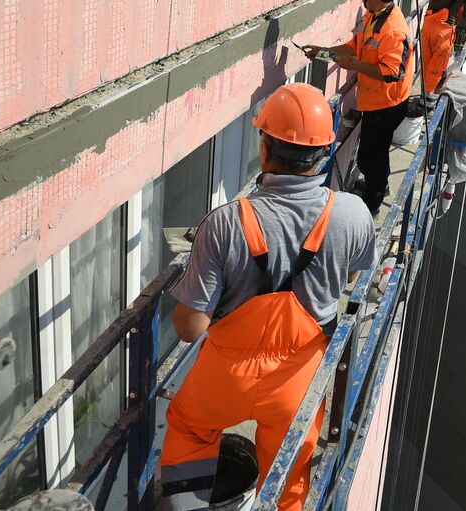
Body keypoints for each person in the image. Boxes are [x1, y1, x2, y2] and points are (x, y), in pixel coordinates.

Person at [159, 82, 376, 511]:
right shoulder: (352, 213)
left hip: (225, 377)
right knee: (289, 473)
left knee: (190, 429)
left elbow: (189, 328)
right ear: (324, 149)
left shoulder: (223, 223)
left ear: (265, 149)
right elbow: (351, 272)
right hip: (299, 378)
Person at [304, 0, 414, 213]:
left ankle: (371, 204)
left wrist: (353, 64)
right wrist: (326, 51)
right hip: (377, 101)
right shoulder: (374, 15)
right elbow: (356, 45)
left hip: (388, 104)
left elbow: (392, 73)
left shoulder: (393, 29)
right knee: (376, 153)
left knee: (369, 157)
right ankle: (379, 184)